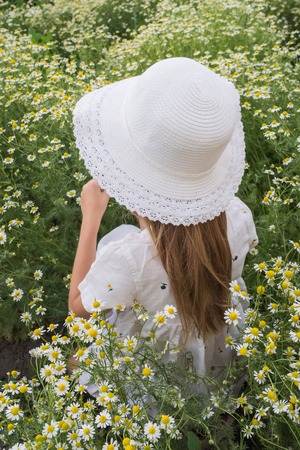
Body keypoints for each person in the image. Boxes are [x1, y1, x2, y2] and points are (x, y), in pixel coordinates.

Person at [69, 57, 258, 395]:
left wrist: (91, 219)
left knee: (85, 358)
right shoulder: (239, 215)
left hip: (157, 368)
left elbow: (79, 307)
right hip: (219, 346)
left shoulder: (128, 261)